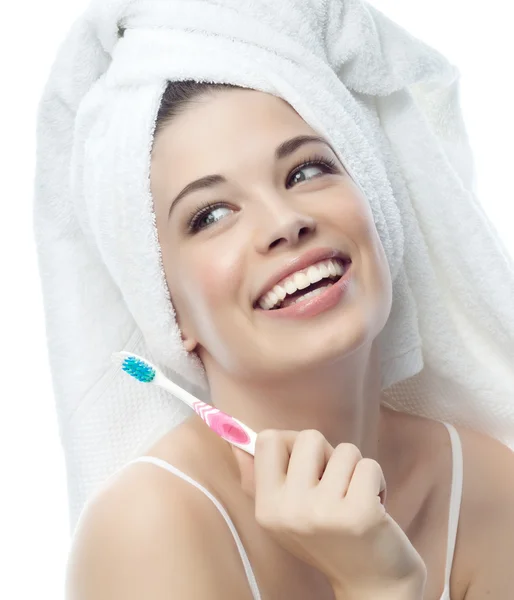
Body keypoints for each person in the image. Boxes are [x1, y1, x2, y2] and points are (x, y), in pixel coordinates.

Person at [62, 80, 514, 599]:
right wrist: (378, 584)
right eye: (211, 214)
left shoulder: (490, 486)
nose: (286, 222)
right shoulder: (146, 529)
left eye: (306, 171)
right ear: (169, 310)